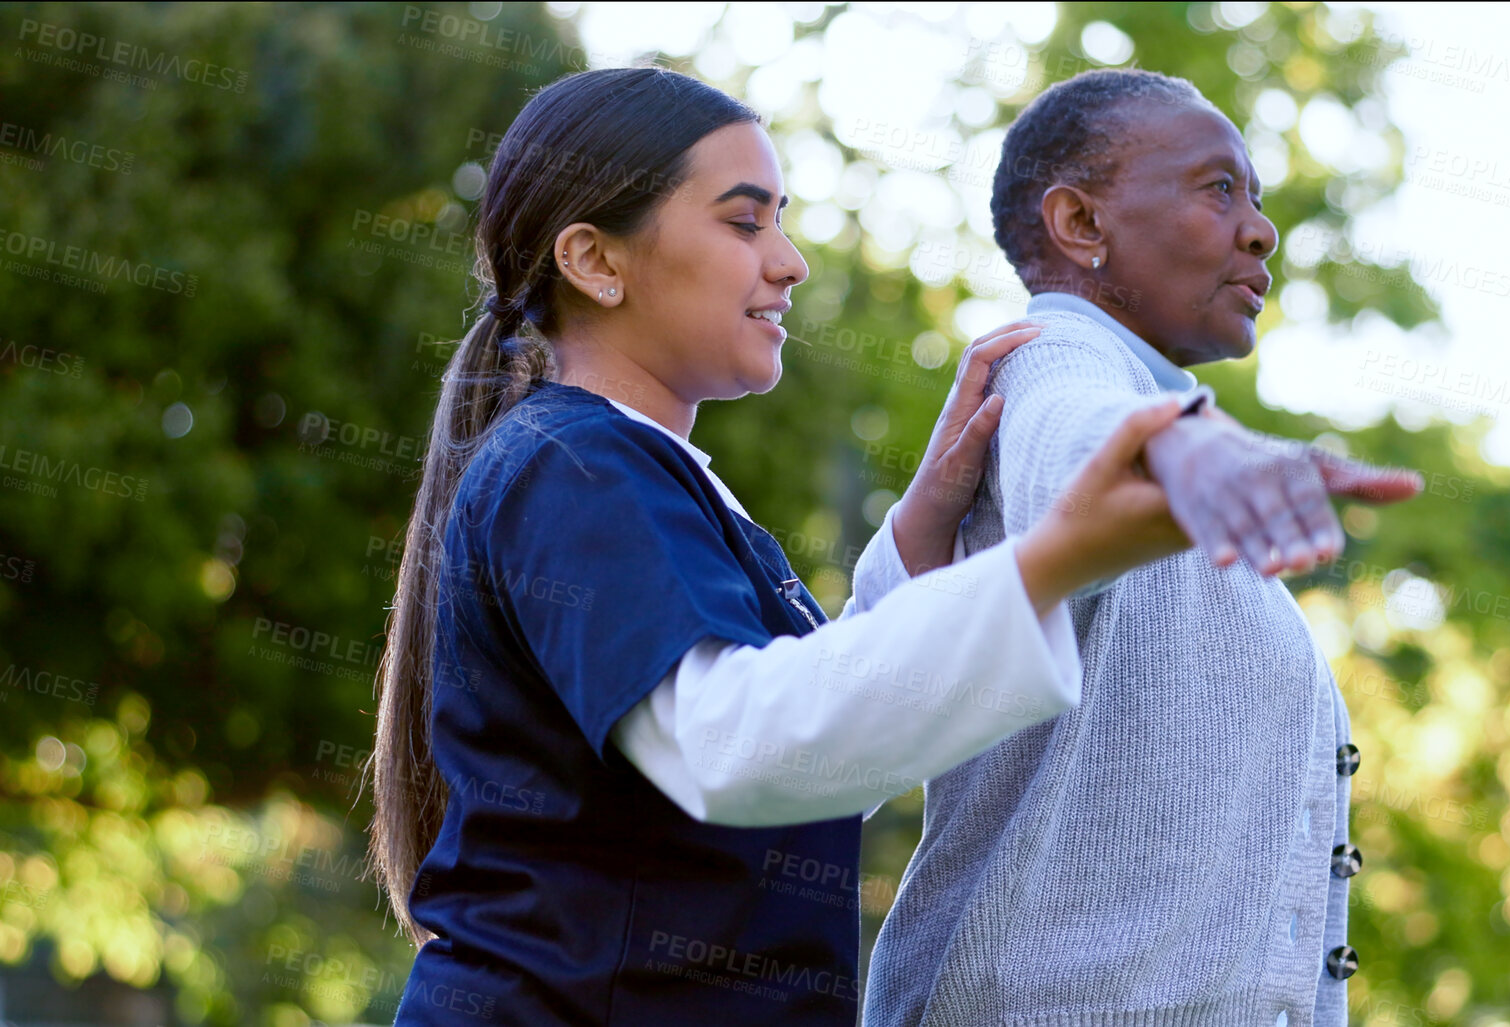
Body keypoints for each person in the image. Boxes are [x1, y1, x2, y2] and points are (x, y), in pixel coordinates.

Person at [367, 66, 1205, 1026]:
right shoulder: (574, 463)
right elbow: (734, 747)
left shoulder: (629, 470)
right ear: (595, 260)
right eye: (743, 221)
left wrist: (917, 537)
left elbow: (798, 739)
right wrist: (1061, 556)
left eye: (781, 220)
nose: (790, 260)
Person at [863, 69, 1425, 1027]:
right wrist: (1171, 442)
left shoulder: (1146, 420)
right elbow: (1071, 443)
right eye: (1217, 188)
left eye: (1256, 197)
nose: (1260, 229)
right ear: (1080, 224)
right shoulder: (1045, 359)